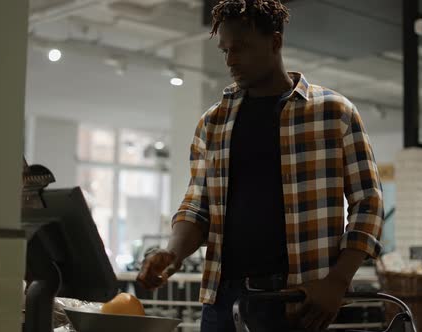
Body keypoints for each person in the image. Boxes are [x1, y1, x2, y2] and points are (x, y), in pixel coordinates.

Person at [137, 0, 383, 331]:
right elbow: (198, 206)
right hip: (223, 299)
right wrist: (172, 253)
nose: (230, 60)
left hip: (296, 299)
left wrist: (338, 281)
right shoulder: (213, 123)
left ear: (275, 42)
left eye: (241, 48)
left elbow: (368, 203)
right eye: (225, 50)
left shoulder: (333, 113)